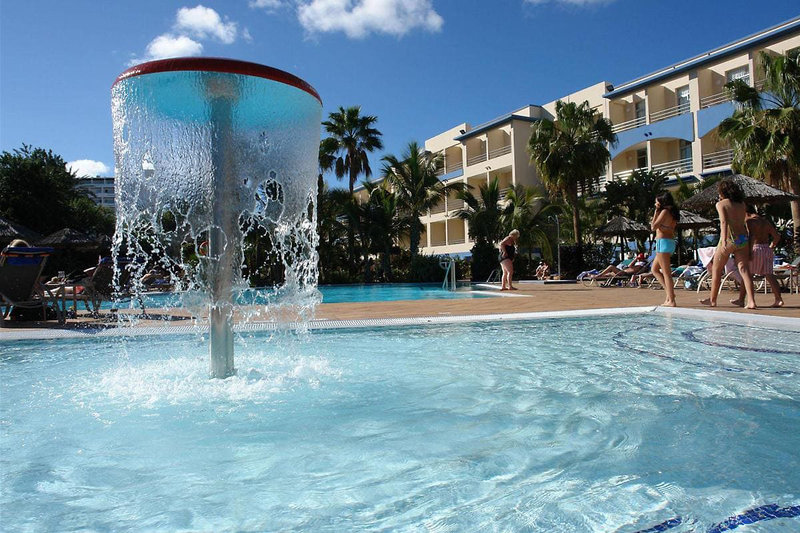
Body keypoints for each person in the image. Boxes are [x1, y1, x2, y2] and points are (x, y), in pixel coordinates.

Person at [700, 179, 757, 309]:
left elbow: (724, 222)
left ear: (723, 192)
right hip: (742, 238)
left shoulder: (721, 204)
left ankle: (712, 300)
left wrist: (724, 240)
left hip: (729, 238)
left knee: (716, 269)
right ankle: (751, 301)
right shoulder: (742, 204)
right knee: (744, 270)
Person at [730, 205, 784, 308]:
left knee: (747, 275)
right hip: (766, 248)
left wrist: (749, 252)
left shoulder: (749, 221)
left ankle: (742, 300)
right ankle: (779, 299)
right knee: (769, 275)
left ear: (746, 212)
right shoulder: (765, 221)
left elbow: (752, 236)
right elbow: (776, 236)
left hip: (755, 248)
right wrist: (771, 246)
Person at [650, 192, 680, 306]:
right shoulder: (673, 212)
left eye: (657, 202)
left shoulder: (664, 212)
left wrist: (656, 212)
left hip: (662, 243)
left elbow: (653, 227)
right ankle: (669, 294)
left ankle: (671, 300)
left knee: (666, 273)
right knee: (654, 269)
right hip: (670, 242)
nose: (655, 204)